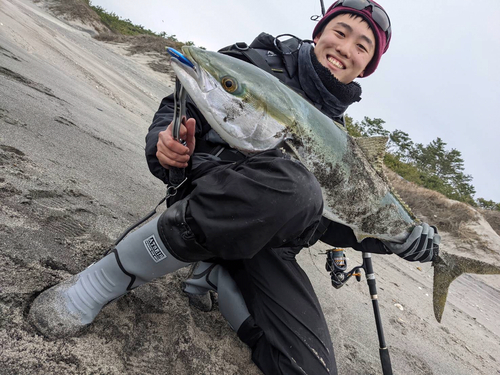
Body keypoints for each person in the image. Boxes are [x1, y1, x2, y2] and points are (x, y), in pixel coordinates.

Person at [29, 1, 440, 374]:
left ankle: (220, 280)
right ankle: (106, 278)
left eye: (363, 46)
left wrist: (397, 241)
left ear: (366, 66)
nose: (346, 47)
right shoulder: (252, 64)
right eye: (340, 31)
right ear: (320, 32)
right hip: (205, 202)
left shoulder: (343, 141)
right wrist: (166, 148)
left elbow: (331, 221)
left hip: (271, 244)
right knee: (298, 185)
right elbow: (177, 111)